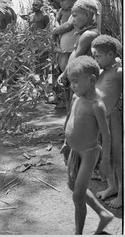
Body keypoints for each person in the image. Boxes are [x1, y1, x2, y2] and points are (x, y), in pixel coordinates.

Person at [64, 55, 113, 235]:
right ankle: (103, 214)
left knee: (77, 195)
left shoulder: (96, 105)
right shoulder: (77, 98)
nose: (72, 86)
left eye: (76, 82)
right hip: (74, 150)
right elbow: (71, 117)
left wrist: (105, 161)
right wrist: (65, 141)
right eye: (71, 82)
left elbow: (106, 136)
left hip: (89, 153)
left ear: (92, 80)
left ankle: (78, 233)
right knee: (72, 184)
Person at [91, 35, 123, 209]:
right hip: (102, 121)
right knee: (106, 155)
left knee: (118, 157)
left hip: (113, 120)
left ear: (110, 54)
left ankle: (122, 196)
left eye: (98, 56)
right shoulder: (104, 71)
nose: (95, 60)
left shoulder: (119, 72)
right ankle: (112, 187)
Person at [57, 0, 100, 89]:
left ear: (87, 15)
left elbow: (76, 57)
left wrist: (64, 74)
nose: (73, 20)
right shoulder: (85, 33)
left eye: (75, 16)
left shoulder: (88, 35)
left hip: (84, 80)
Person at [52, 0, 77, 109]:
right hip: (63, 51)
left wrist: (56, 30)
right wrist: (56, 28)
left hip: (72, 50)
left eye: (64, 0)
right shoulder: (61, 11)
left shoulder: (75, 11)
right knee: (64, 77)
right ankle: (65, 100)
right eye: (60, 1)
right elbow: (56, 21)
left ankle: (72, 102)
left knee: (72, 76)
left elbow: (68, 26)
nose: (61, 3)